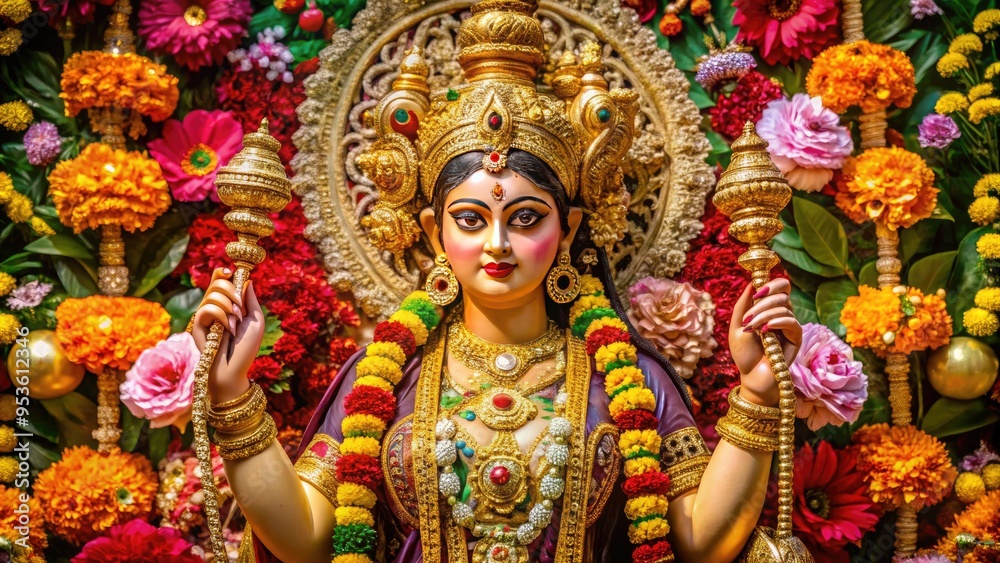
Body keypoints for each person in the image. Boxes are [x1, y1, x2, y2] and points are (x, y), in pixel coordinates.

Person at [191, 1, 802, 561]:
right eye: (470, 220)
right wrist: (231, 395)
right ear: (434, 233)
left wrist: (757, 392)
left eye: (527, 218)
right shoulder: (383, 376)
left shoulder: (629, 382)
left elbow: (702, 541)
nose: (498, 245)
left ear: (568, 232)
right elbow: (303, 539)